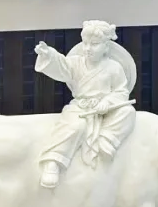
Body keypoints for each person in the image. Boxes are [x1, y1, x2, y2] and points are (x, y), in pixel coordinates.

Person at [33, 20, 136, 189]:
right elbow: (62, 65)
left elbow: (121, 92)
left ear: (106, 47)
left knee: (128, 112)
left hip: (105, 109)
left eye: (94, 44)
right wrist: (48, 54)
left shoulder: (114, 68)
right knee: (75, 126)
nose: (88, 48)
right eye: (85, 43)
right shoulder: (76, 63)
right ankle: (53, 161)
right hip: (80, 107)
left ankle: (106, 141)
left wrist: (107, 102)